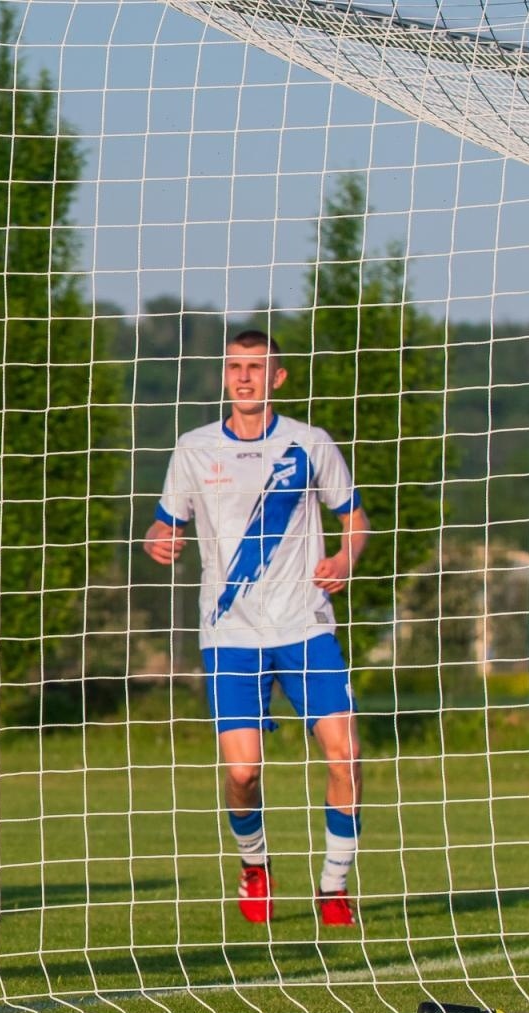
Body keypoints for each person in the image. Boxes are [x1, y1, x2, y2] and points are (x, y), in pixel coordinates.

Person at [141, 330, 370, 927]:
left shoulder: (310, 444)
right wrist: (160, 541)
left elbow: (356, 521)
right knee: (243, 772)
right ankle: (255, 866)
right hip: (230, 636)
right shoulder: (194, 448)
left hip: (305, 626)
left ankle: (335, 887)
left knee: (346, 755)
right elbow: (164, 524)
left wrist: (345, 559)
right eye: (235, 367)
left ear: (277, 379)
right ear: (224, 375)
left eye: (256, 368)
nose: (244, 377)